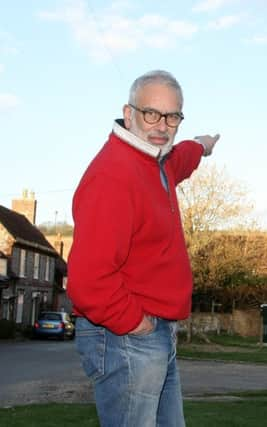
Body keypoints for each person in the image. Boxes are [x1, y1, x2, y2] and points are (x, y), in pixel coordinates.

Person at [68, 70, 219, 427]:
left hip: (154, 331)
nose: (161, 126)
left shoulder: (155, 161)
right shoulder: (114, 175)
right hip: (126, 334)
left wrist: (202, 146)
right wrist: (137, 325)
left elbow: (178, 160)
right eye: (151, 113)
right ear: (129, 112)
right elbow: (88, 281)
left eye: (172, 117)